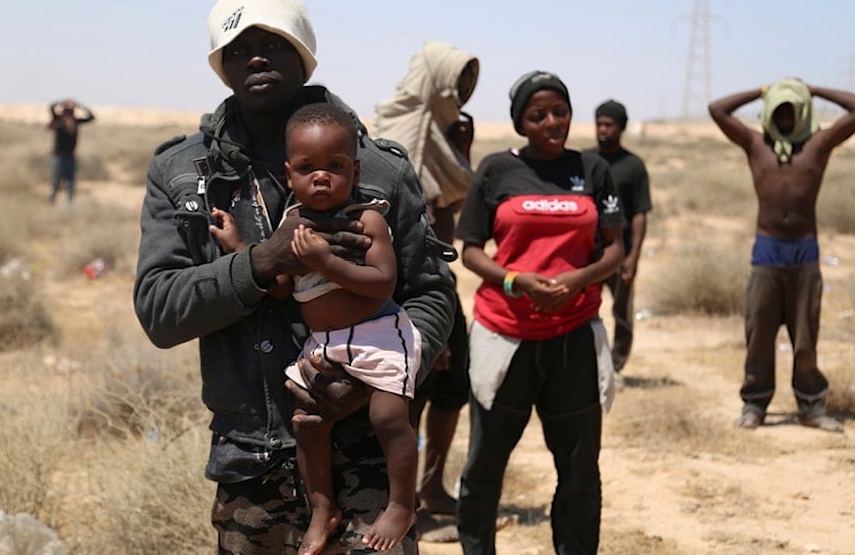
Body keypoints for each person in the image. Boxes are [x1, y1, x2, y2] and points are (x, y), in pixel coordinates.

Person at [133, 0, 456, 555]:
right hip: (249, 458)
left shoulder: (375, 168)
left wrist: (379, 380)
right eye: (238, 47)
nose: (257, 57)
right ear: (221, 64)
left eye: (276, 43)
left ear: (304, 53)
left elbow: (432, 295)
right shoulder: (184, 173)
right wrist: (262, 261)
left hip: (368, 455)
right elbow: (160, 310)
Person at [209, 103, 422, 554]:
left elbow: (383, 281)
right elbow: (283, 288)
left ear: (355, 169)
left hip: (380, 333)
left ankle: (402, 504)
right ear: (289, 174)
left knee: (388, 418)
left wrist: (326, 261)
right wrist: (241, 249)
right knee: (308, 423)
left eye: (335, 167)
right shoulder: (291, 225)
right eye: (307, 168)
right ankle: (323, 508)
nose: (321, 177)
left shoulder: (367, 220)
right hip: (324, 344)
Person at [453, 71, 625, 555]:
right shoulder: (495, 171)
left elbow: (614, 249)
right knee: (485, 465)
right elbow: (470, 249)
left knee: (579, 471)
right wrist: (515, 281)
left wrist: (577, 280)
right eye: (538, 115)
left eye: (560, 112)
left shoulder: (593, 170)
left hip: (574, 337)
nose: (552, 122)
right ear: (520, 123)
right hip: (505, 336)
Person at [708, 78, 855, 433]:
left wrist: (813, 90)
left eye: (790, 109)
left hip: (804, 255)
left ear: (801, 112)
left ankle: (811, 407)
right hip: (766, 255)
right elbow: (717, 110)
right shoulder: (755, 145)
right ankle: (755, 405)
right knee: (759, 336)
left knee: (806, 339)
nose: (784, 117)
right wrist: (762, 91)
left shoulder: (818, 145)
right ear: (768, 113)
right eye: (778, 110)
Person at [373, 41, 478, 519]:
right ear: (437, 79)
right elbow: (403, 221)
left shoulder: (445, 131)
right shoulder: (403, 132)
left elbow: (451, 204)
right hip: (411, 283)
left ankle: (432, 489)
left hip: (442, 277)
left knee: (454, 388)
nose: (465, 92)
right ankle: (403, 497)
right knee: (413, 392)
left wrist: (461, 148)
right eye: (459, 81)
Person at [584, 99, 652, 376]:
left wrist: (633, 256)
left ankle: (617, 364)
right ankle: (587, 361)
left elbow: (640, 213)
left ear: (621, 127)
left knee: (622, 312)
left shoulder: (633, 165)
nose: (603, 129)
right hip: (588, 251)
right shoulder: (584, 160)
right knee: (584, 309)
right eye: (599, 123)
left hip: (619, 251)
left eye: (609, 124)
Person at [46, 98, 95, 204]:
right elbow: (51, 107)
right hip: (58, 157)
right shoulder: (58, 120)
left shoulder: (75, 122)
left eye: (70, 111)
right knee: (55, 183)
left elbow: (91, 117)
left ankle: (69, 207)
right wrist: (62, 102)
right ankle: (51, 203)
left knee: (70, 184)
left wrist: (79, 105)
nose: (68, 113)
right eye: (67, 111)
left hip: (70, 157)